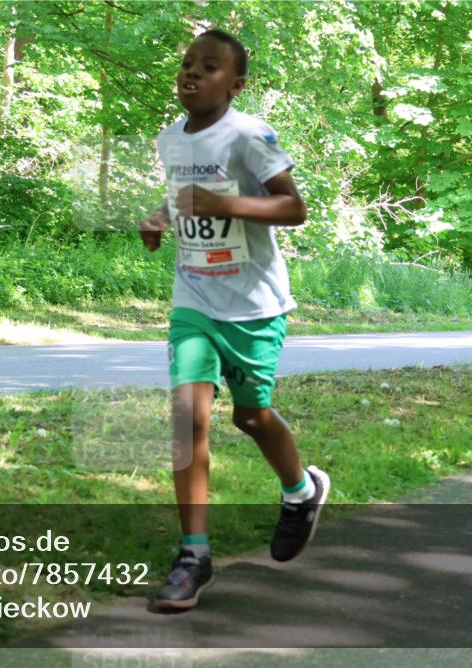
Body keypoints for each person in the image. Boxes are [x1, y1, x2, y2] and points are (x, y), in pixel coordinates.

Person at [140, 29, 331, 610]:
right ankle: (193, 556)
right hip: (193, 300)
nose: (192, 75)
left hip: (254, 307)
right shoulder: (169, 139)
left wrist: (226, 204)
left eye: (209, 67)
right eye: (187, 65)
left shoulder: (249, 135)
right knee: (187, 420)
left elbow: (293, 207)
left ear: (236, 83)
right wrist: (159, 217)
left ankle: (301, 491)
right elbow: (182, 198)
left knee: (251, 417)